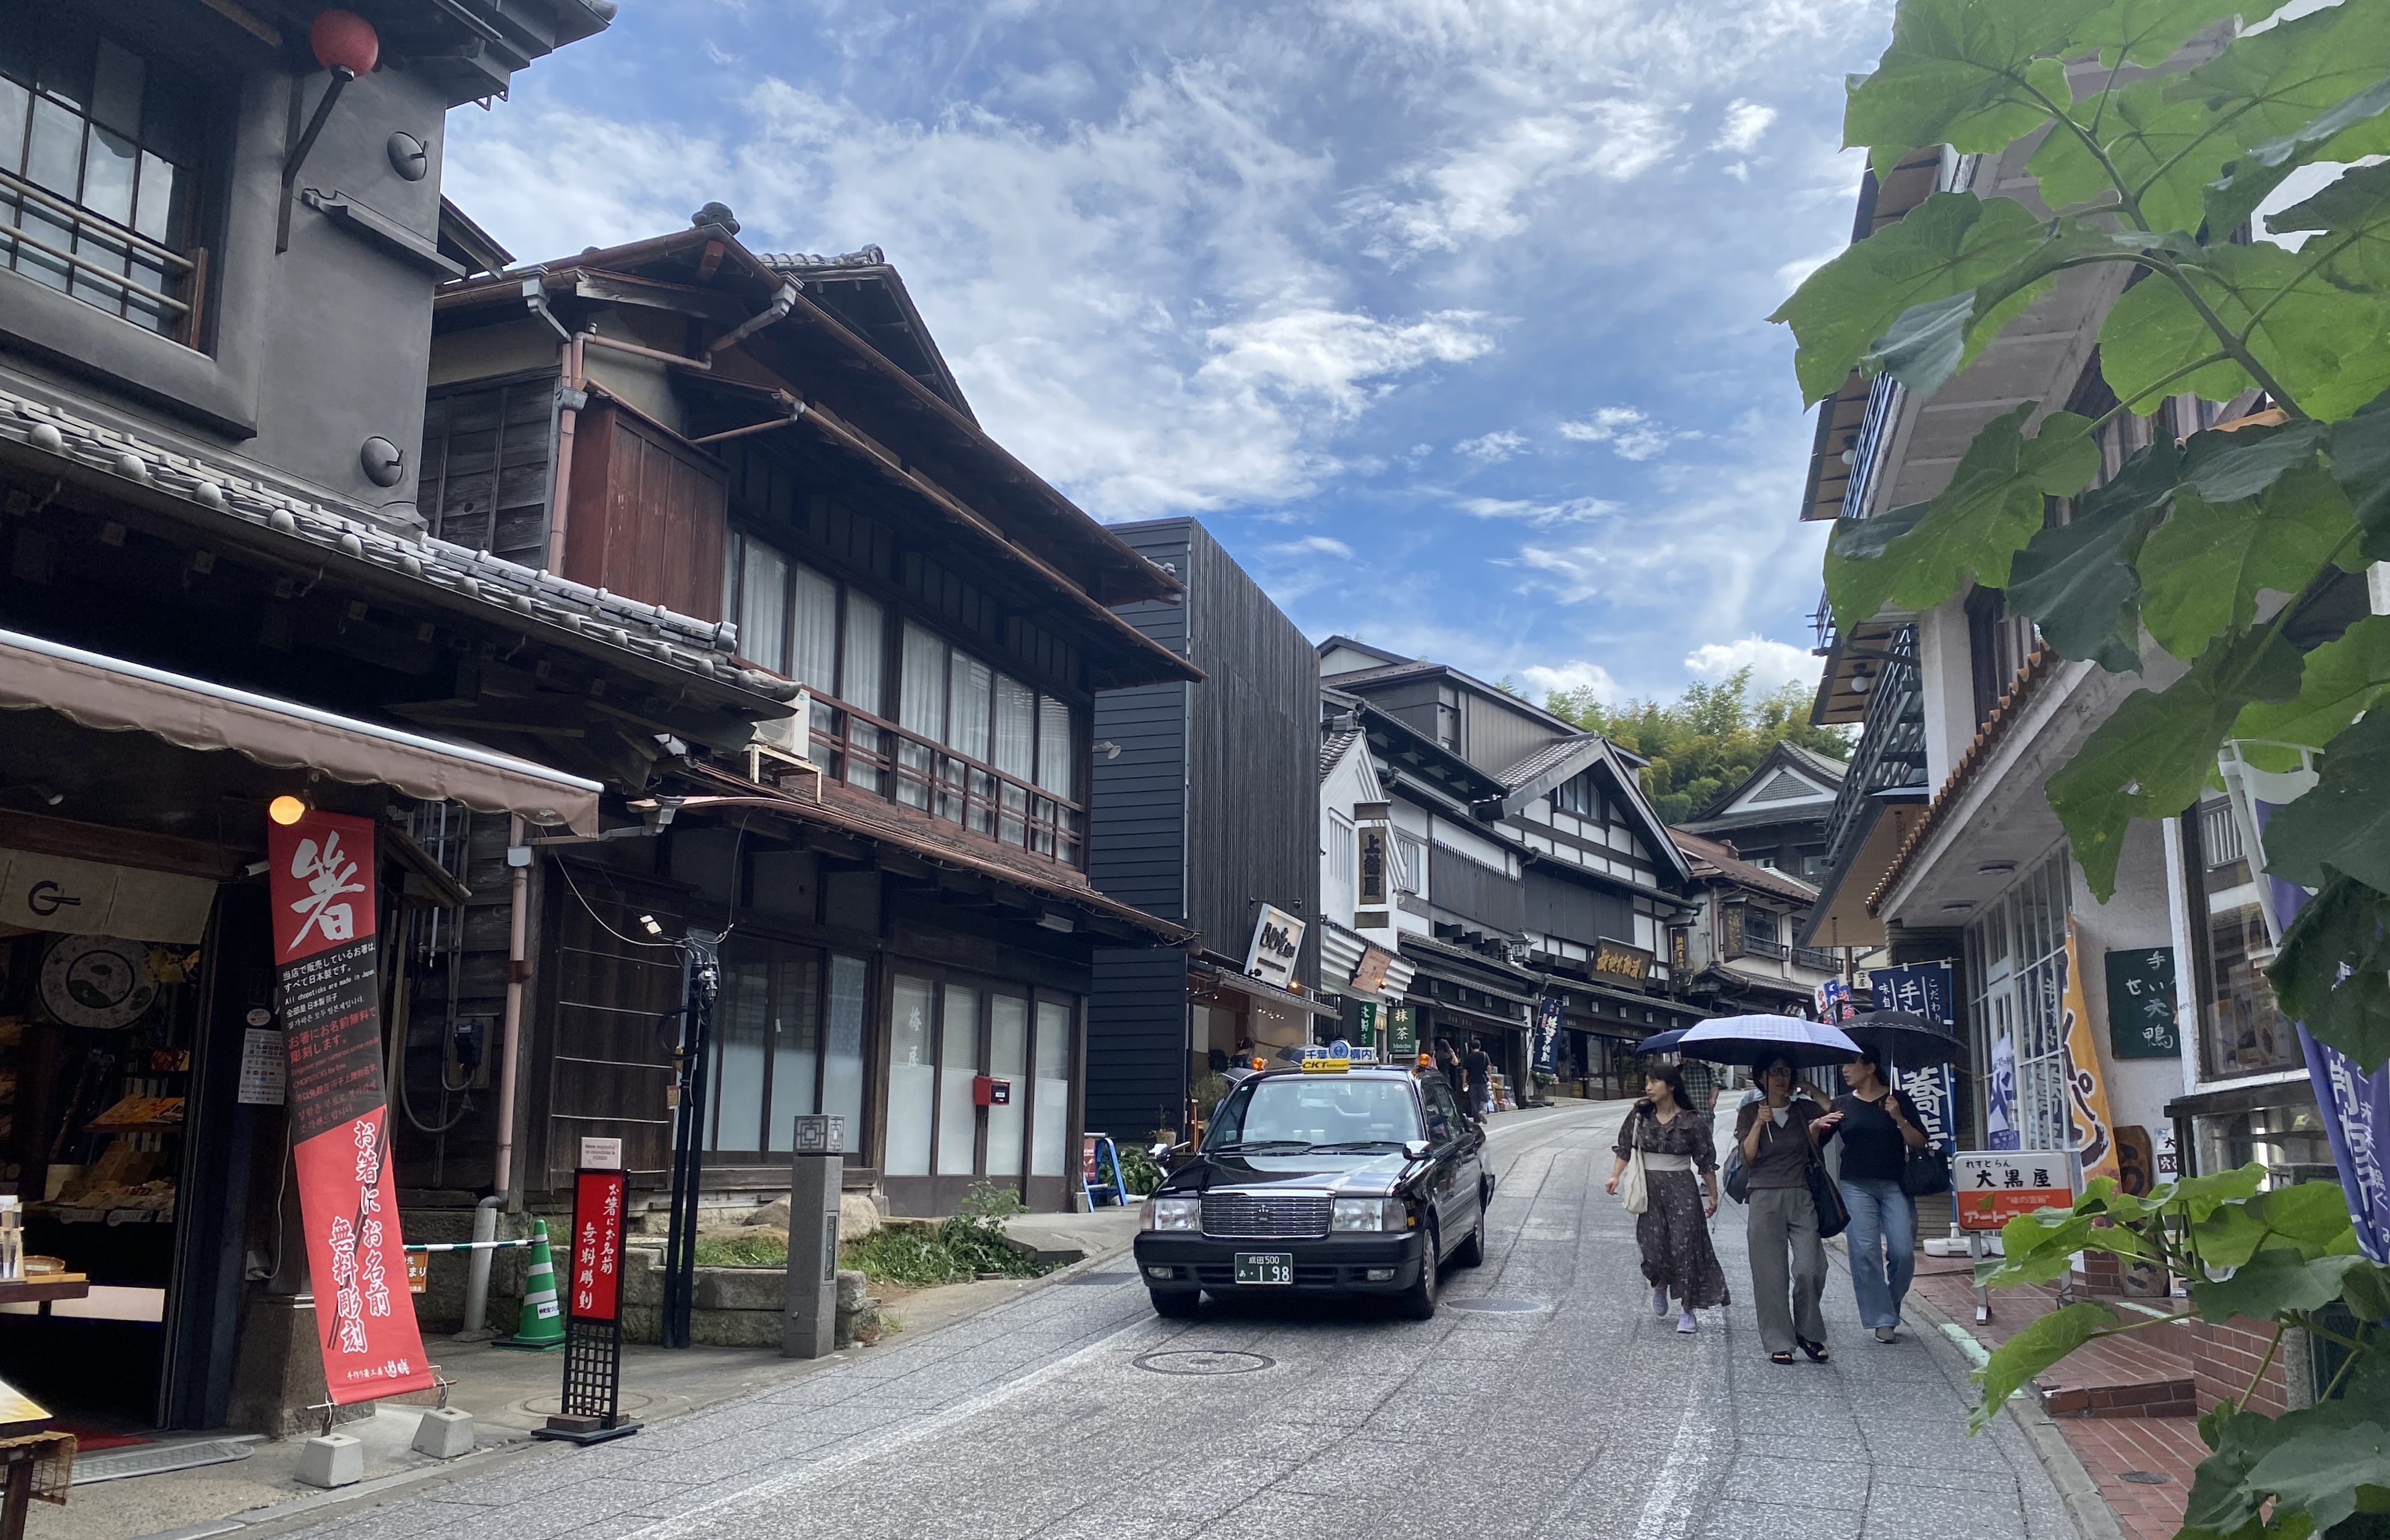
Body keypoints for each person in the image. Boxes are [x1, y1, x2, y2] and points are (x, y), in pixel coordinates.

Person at [1734, 1056, 1844, 1366]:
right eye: (1774, 1072)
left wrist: (1809, 1088)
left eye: (1786, 1072)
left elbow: (1836, 1111)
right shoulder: (1749, 1112)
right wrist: (1759, 1123)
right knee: (1770, 1275)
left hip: (1801, 1196)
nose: (1781, 1078)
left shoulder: (1803, 1110)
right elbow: (1747, 1158)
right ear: (1761, 1078)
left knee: (1812, 1268)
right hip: (1764, 1198)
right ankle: (1779, 1340)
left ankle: (1808, 1332)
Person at [1606, 1065, 1728, 1333]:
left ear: (1671, 1086)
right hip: (1649, 1188)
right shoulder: (1640, 1115)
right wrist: (1615, 1176)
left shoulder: (1692, 1122)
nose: (1648, 1088)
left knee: (1685, 1246)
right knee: (1652, 1246)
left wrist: (1713, 1194)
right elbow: (1625, 1146)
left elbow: (1705, 1161)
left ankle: (1688, 1309)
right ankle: (1660, 1284)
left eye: (1655, 1082)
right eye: (1647, 1082)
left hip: (1682, 1188)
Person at [1834, 1055, 1929, 1343]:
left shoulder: (1897, 1100)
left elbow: (1919, 1142)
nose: (1844, 1070)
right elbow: (1817, 1141)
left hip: (1895, 1185)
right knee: (1865, 1252)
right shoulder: (1842, 1104)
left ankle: (1891, 1301)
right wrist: (1816, 1126)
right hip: (1855, 1185)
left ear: (1871, 1068)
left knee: (1903, 1251)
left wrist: (1898, 1118)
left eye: (1850, 1064)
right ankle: (1882, 1319)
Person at [1463, 1037, 1495, 1118]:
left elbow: (1465, 1071)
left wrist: (1464, 1082)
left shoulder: (1468, 1057)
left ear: (1471, 1047)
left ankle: (1476, 1118)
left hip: (1472, 1081)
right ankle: (1482, 1112)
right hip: (1482, 1080)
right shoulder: (1484, 1055)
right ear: (1480, 1046)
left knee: (1474, 1100)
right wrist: (1489, 1077)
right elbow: (1489, 1067)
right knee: (1484, 1098)